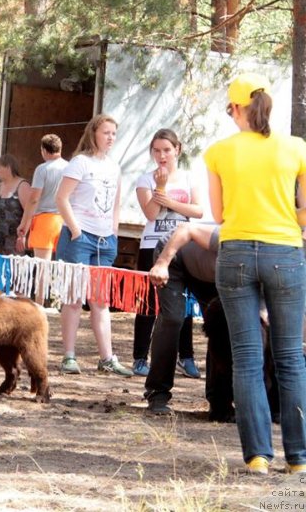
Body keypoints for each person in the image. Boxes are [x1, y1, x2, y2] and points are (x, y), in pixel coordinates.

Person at [205, 72, 306, 475]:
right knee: (291, 359)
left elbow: (218, 215)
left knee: (246, 359)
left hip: (236, 254)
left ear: (235, 109)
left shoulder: (218, 152)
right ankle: (299, 459)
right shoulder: (297, 147)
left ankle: (258, 457)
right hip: (285, 252)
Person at [54, 114, 132, 377]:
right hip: (80, 238)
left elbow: (116, 203)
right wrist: (76, 230)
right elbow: (61, 198)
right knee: (74, 298)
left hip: (104, 239)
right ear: (93, 134)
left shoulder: (113, 166)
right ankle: (69, 356)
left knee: (100, 300)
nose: (110, 137)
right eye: (105, 132)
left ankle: (107, 357)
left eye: (113, 133)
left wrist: (114, 232)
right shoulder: (80, 163)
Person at [132, 129, 203, 377]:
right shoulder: (145, 180)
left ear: (177, 150)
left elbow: (198, 211)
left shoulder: (188, 178)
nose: (162, 155)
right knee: (147, 303)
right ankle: (140, 357)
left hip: (183, 246)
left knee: (183, 304)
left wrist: (170, 201)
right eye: (157, 150)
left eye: (167, 150)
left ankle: (186, 357)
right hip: (152, 245)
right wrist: (160, 187)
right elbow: (151, 214)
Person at [144, 223, 219, 416]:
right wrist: (162, 263)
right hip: (173, 257)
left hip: (207, 274)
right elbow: (185, 229)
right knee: (173, 319)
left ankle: (219, 401)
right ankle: (157, 393)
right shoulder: (228, 237)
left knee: (221, 327)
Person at [16, 134, 66, 261]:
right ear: (60, 149)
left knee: (43, 266)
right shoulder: (70, 167)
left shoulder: (42, 169)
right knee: (63, 267)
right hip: (65, 220)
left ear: (44, 150)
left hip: (45, 220)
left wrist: (24, 223)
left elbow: (33, 199)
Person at [0, 154, 31, 255]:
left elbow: (30, 213)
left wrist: (23, 236)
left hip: (14, 242)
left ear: (8, 167)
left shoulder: (23, 186)